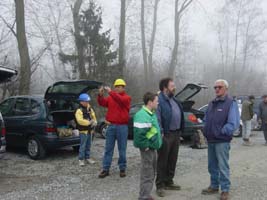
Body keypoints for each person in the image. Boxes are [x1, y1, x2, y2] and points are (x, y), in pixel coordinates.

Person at [202, 79, 240, 200]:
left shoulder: (230, 103)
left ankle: (225, 189)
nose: (217, 89)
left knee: (223, 166)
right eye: (215, 87)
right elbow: (206, 119)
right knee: (212, 165)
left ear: (226, 89)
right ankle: (214, 185)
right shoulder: (212, 103)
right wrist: (205, 128)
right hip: (211, 140)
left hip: (222, 141)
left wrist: (220, 132)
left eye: (219, 87)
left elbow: (233, 123)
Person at [155, 78, 184, 197]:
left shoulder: (174, 100)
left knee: (173, 159)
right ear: (165, 88)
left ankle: (169, 181)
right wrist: (161, 132)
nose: (174, 87)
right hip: (166, 134)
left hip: (176, 134)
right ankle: (160, 185)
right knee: (163, 160)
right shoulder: (159, 101)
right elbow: (157, 118)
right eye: (172, 86)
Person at [97, 79, 131, 178]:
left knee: (122, 149)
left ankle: (122, 168)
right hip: (111, 126)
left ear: (123, 87)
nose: (117, 88)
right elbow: (102, 103)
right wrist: (100, 95)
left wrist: (110, 92)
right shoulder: (111, 97)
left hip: (122, 127)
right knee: (108, 149)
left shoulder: (127, 98)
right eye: (116, 86)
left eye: (119, 86)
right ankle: (105, 169)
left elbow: (120, 100)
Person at [133, 92, 162, 200]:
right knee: (147, 173)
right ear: (150, 102)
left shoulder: (150, 113)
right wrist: (145, 146)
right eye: (156, 101)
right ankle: (143, 197)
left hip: (152, 148)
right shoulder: (142, 115)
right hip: (147, 149)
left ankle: (146, 194)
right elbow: (139, 135)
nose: (158, 103)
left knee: (151, 172)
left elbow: (150, 130)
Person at [75, 93, 97, 166]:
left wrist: (95, 121)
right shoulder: (79, 110)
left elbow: (93, 115)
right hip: (83, 131)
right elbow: (80, 120)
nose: (87, 103)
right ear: (81, 102)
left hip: (89, 130)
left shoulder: (89, 108)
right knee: (82, 145)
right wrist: (89, 122)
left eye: (88, 101)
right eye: (86, 101)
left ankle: (87, 157)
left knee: (88, 145)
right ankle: (81, 159)